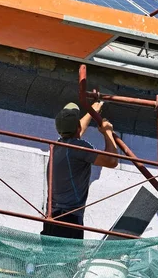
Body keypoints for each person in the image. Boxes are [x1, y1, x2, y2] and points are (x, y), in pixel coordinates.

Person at [41, 102, 118, 239]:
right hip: (68, 220)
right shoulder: (79, 148)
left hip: (53, 217)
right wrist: (107, 132)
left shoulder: (59, 145)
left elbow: (77, 131)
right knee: (69, 259)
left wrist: (92, 111)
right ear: (76, 127)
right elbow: (112, 161)